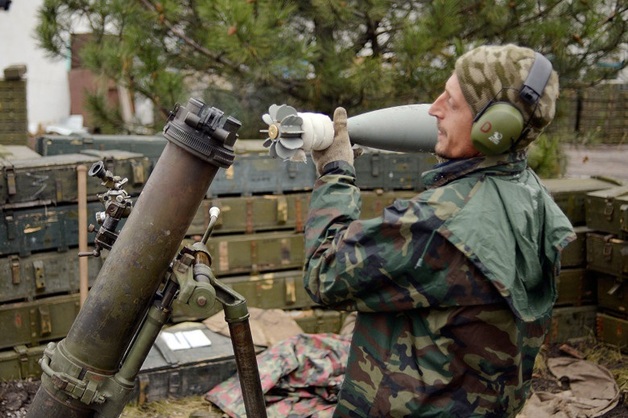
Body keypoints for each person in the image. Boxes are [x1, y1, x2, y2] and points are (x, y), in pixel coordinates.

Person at [303, 44, 576, 417]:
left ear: (492, 128)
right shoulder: (533, 195)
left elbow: (324, 273)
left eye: (452, 102)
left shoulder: (441, 223)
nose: (433, 109)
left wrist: (335, 173)